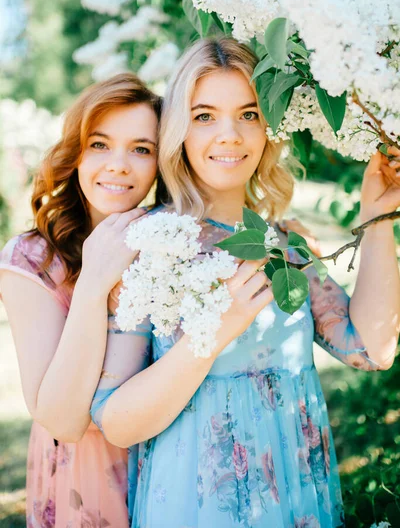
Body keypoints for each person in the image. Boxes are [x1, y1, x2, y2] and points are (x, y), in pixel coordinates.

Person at [90, 38, 400, 528]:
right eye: (205, 115)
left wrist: (377, 218)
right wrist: (214, 331)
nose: (230, 134)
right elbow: (116, 421)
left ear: (268, 127)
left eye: (249, 114)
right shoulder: (150, 244)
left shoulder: (284, 246)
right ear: (178, 130)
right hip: (198, 507)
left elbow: (370, 348)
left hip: (298, 501)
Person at [0, 73, 165, 527]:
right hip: (84, 481)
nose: (118, 164)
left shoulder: (173, 242)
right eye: (99, 144)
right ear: (75, 152)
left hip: (172, 463)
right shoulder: (31, 261)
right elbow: (63, 419)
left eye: (141, 149)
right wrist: (93, 280)